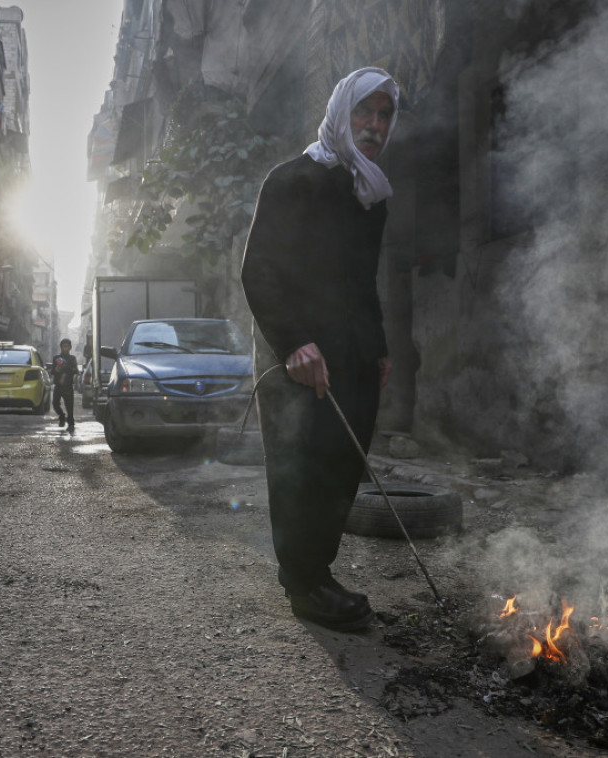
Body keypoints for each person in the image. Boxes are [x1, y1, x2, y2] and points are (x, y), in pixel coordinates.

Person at [240, 67, 399, 632]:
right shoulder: (291, 180)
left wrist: (377, 348)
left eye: (384, 115)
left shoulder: (370, 195)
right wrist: (292, 345)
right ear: (340, 113)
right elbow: (257, 271)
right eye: (364, 112)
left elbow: (363, 282)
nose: (374, 125)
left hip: (352, 352)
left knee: (342, 464)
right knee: (300, 466)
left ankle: (320, 571)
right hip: (299, 356)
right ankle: (303, 584)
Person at [51, 338, 78, 432]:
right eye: (63, 346)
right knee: (55, 404)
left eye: (67, 346)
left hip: (68, 386)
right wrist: (57, 369)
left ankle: (71, 424)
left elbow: (75, 370)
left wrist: (66, 367)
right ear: (61, 347)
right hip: (58, 386)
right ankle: (62, 416)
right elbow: (52, 371)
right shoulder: (56, 358)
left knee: (69, 406)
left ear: (70, 348)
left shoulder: (72, 358)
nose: (65, 348)